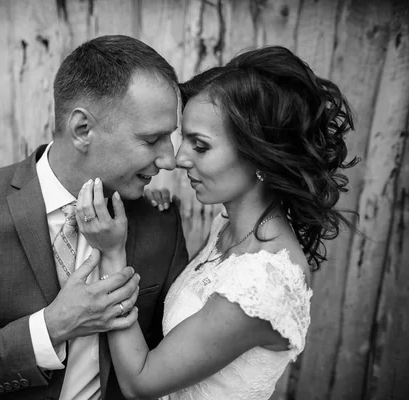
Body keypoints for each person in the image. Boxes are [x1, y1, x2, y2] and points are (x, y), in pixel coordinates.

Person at [0, 35, 189, 400]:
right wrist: (50, 328)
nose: (170, 159)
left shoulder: (159, 219)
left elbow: (170, 360)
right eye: (152, 140)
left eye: (170, 137)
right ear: (82, 130)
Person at [75, 46, 358, 399]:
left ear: (259, 155)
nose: (178, 159)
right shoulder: (226, 228)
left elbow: (139, 382)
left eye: (200, 146)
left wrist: (113, 255)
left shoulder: (260, 286)